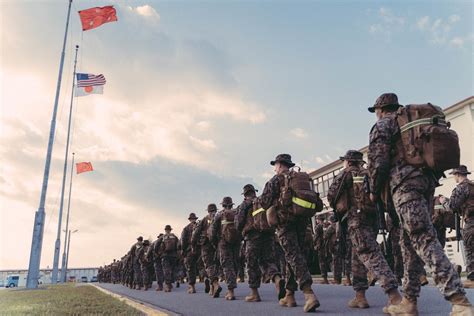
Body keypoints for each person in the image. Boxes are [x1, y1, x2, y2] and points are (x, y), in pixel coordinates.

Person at [367, 93, 471, 315]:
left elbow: (378, 163)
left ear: (380, 109)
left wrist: (373, 192)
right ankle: (409, 301)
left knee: (422, 236)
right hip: (425, 183)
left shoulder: (383, 125)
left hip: (404, 186)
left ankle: (458, 299)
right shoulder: (408, 122)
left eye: (375, 111)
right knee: (409, 244)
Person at [327, 149, 401, 310]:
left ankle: (394, 295)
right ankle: (360, 297)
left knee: (370, 254)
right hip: (373, 220)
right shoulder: (370, 173)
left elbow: (331, 195)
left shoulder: (346, 173)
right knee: (357, 258)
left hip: (355, 220)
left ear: (348, 161)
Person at [258, 154, 321, 312]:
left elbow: (264, 202)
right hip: (302, 223)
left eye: (275, 165)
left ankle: (309, 293)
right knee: (293, 257)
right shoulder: (300, 178)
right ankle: (289, 295)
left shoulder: (275, 180)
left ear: (279, 165)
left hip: (285, 224)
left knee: (293, 256)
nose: (275, 168)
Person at [235, 184, 285, 302]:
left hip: (252, 237)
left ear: (244, 194)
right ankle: (277, 279)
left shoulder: (244, 205)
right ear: (254, 192)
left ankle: (254, 293)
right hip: (268, 235)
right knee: (269, 261)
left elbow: (238, 223)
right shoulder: (262, 201)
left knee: (252, 264)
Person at [440, 165, 474, 288]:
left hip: (470, 222)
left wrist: (443, 201)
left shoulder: (461, 188)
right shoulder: (472, 186)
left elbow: (452, 207)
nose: (454, 177)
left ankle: (472, 278)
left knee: (470, 250)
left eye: (454, 175)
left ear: (458, 174)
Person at [211, 197, 241, 300]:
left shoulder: (219, 215)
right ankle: (234, 282)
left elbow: (212, 232)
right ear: (232, 204)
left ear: (223, 205)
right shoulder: (237, 212)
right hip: (236, 242)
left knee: (227, 264)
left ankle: (230, 291)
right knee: (235, 262)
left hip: (223, 242)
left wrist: (216, 244)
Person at [192, 204, 221, 297]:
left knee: (208, 265)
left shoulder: (205, 219)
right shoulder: (220, 216)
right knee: (215, 265)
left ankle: (215, 284)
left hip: (206, 244)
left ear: (208, 211)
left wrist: (193, 245)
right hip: (218, 244)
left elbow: (195, 234)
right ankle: (212, 288)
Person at [181, 212, 200, 294]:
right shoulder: (200, 226)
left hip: (190, 250)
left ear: (189, 219)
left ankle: (192, 287)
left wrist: (183, 251)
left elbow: (183, 241)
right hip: (200, 249)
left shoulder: (186, 228)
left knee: (190, 268)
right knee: (203, 266)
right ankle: (210, 283)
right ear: (195, 219)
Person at [158, 225, 179, 292]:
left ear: (165, 230)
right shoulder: (174, 236)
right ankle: (171, 283)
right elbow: (179, 245)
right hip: (173, 256)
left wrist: (159, 253)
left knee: (166, 270)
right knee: (172, 270)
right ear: (170, 230)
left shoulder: (162, 237)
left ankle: (167, 285)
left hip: (165, 255)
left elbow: (156, 246)